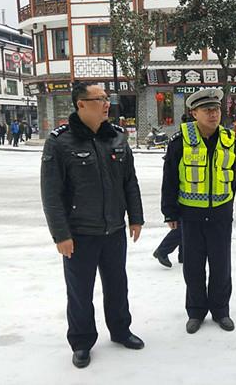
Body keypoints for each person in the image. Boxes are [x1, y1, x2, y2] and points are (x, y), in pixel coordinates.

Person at [40, 81, 145, 369]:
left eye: (107, 98)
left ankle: (121, 330)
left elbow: (129, 182)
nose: (106, 103)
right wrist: (61, 234)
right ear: (81, 104)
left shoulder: (117, 137)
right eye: (99, 99)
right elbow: (51, 193)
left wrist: (135, 217)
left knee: (117, 285)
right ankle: (82, 342)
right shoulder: (60, 142)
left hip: (114, 231)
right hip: (79, 234)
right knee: (80, 292)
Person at [161, 88, 236, 334]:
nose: (213, 114)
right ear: (194, 113)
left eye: (216, 109)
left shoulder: (230, 140)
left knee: (221, 266)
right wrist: (170, 212)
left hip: (220, 215)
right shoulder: (180, 141)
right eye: (207, 110)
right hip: (191, 215)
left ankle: (221, 311)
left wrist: (228, 207)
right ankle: (195, 312)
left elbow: (233, 178)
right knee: (193, 267)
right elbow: (170, 178)